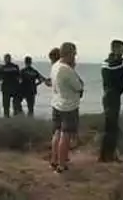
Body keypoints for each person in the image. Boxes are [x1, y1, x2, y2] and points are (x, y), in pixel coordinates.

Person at [49, 42, 83, 173]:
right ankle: (62, 165)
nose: (75, 57)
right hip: (68, 107)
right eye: (74, 54)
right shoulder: (67, 70)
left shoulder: (55, 66)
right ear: (69, 54)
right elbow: (79, 86)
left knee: (57, 132)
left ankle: (54, 160)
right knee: (66, 135)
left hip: (57, 103)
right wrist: (73, 69)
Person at [99, 39, 123, 163]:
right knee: (111, 128)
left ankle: (107, 154)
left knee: (110, 127)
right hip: (112, 97)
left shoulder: (105, 63)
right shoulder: (116, 65)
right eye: (121, 49)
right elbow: (119, 77)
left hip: (108, 97)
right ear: (115, 49)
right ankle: (107, 156)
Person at [0, 53, 22, 117]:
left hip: (6, 88)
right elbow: (19, 77)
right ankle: (16, 119)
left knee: (6, 106)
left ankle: (7, 119)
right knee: (16, 105)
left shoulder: (2, 68)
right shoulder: (15, 67)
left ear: (5, 59)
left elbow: (0, 78)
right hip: (15, 88)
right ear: (10, 59)